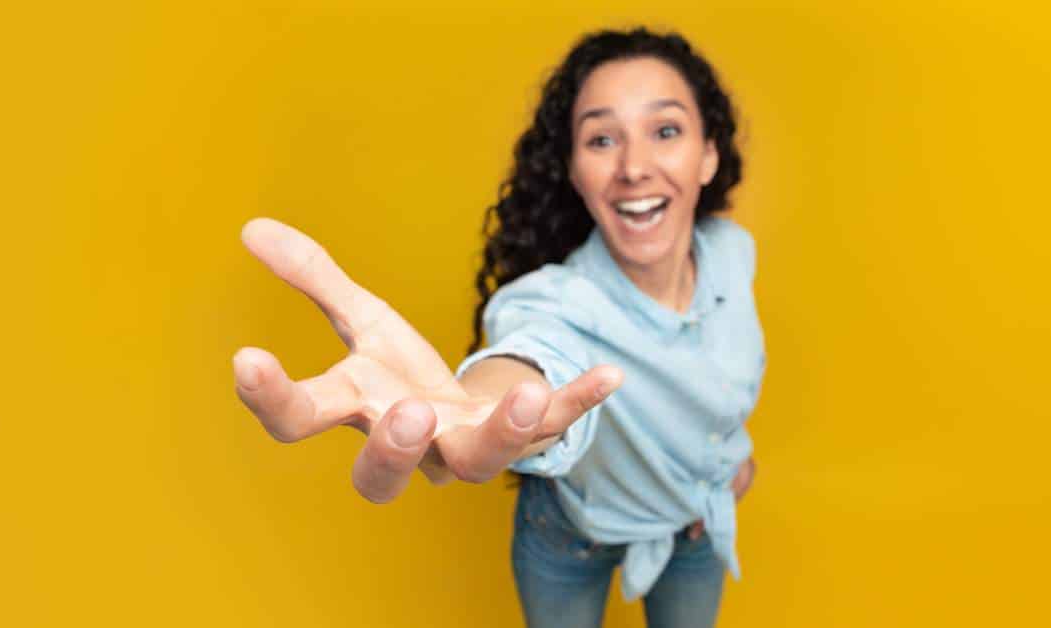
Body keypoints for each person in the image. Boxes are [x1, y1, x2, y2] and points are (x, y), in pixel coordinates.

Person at [233, 26, 764, 628]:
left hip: (693, 523)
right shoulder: (552, 301)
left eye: (665, 131)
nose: (634, 167)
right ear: (574, 171)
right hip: (568, 533)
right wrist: (474, 410)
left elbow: (714, 375)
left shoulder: (731, 251)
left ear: (708, 154)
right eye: (601, 139)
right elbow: (532, 358)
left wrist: (731, 458)